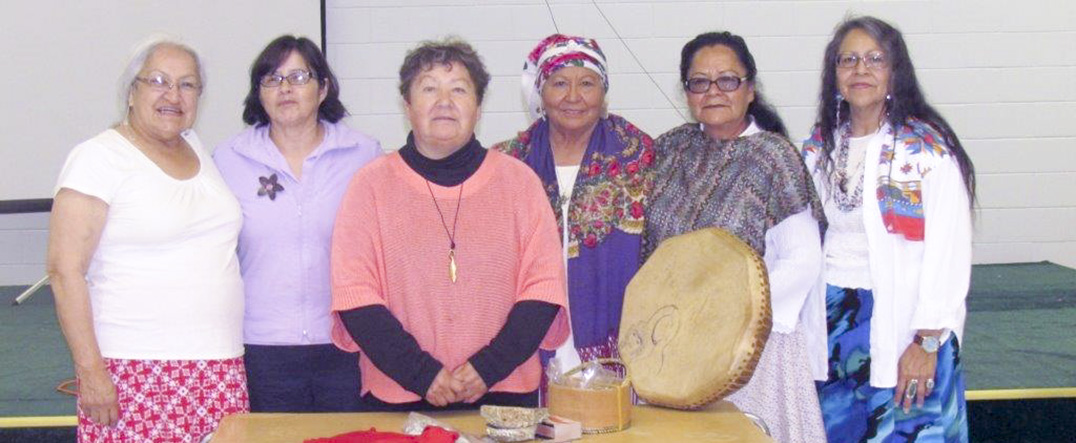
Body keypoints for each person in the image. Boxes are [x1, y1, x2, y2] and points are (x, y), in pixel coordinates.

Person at [329, 38, 570, 411]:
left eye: (459, 89)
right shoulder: (370, 186)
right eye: (429, 89)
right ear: (407, 105)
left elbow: (543, 289)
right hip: (400, 395)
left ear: (477, 107)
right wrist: (422, 374)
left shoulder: (520, 183)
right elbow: (355, 295)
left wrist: (487, 368)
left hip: (503, 396)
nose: (444, 101)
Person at [47, 38, 247, 441]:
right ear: (132, 91)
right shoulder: (98, 158)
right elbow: (64, 271)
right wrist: (91, 372)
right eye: (158, 80)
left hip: (218, 367)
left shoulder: (195, 148)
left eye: (187, 85)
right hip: (136, 370)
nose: (173, 94)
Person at [644, 31, 827, 442]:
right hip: (672, 348)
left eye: (727, 80)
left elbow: (801, 262)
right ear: (686, 91)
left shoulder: (774, 156)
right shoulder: (669, 151)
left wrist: (722, 311)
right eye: (699, 82)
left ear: (750, 90)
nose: (713, 91)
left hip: (750, 351)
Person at [803, 16, 974, 442]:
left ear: (895, 71)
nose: (861, 69)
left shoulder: (927, 150)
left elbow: (948, 253)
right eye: (849, 59)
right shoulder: (818, 148)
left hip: (907, 330)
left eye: (875, 59)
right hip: (834, 326)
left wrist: (927, 342)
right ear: (834, 73)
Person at [214, 35, 381, 412]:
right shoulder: (228, 159)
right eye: (272, 79)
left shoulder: (364, 154)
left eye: (299, 77)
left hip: (345, 343)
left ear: (323, 88)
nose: (285, 88)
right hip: (260, 348)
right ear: (259, 92)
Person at [492, 34, 654, 370]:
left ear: (604, 92)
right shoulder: (507, 162)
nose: (574, 97)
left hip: (616, 333)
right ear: (541, 92)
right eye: (559, 83)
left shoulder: (640, 155)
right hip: (528, 331)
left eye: (587, 84)